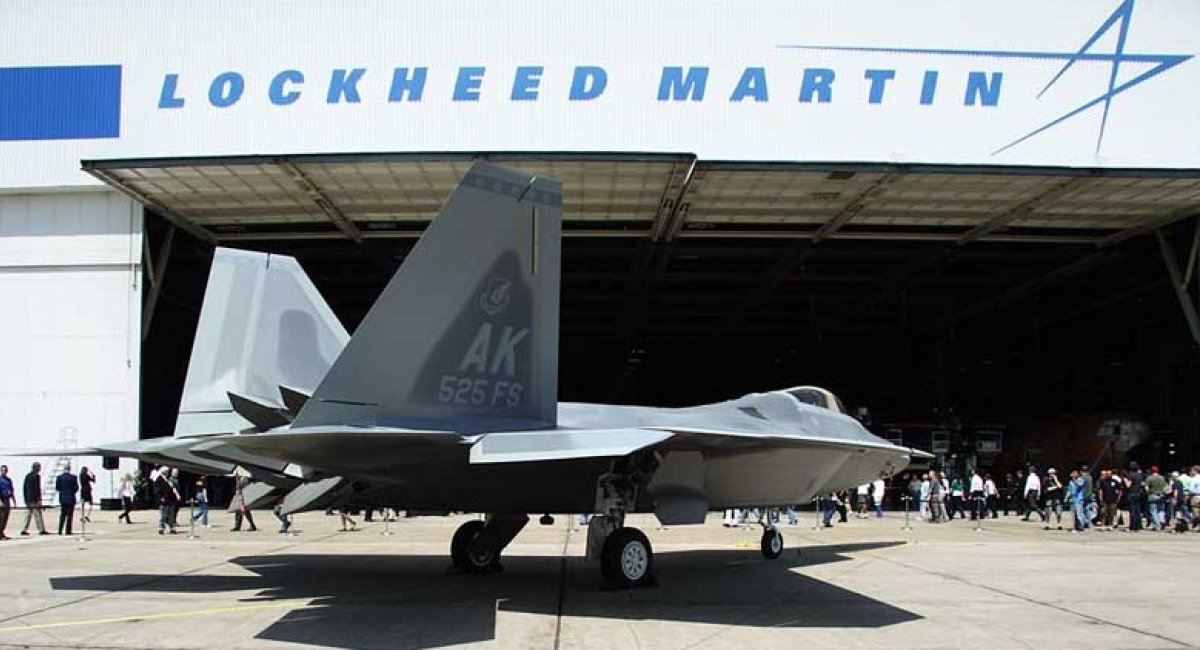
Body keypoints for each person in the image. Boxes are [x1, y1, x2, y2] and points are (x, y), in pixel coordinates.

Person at [19, 463, 48, 536]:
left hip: (28, 498)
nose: (40, 469)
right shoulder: (36, 476)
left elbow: (24, 488)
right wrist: (39, 499)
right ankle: (41, 529)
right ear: (36, 468)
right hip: (34, 499)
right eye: (39, 467)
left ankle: (24, 529)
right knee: (37, 514)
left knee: (28, 515)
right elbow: (37, 489)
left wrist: (25, 499)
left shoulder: (28, 476)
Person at [153, 465, 179, 535]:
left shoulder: (166, 479)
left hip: (170, 500)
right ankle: (161, 528)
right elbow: (157, 490)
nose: (168, 472)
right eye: (167, 471)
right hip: (164, 500)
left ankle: (171, 528)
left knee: (171, 515)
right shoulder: (159, 479)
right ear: (164, 472)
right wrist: (161, 497)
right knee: (163, 515)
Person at [55, 463, 79, 535]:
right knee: (69, 515)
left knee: (62, 514)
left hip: (62, 498)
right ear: (69, 469)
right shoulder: (73, 477)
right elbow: (76, 488)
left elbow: (57, 487)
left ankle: (60, 530)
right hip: (71, 497)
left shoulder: (59, 477)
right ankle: (68, 530)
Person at [1145, 466, 1168, 531]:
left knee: (1153, 511)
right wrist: (1162, 492)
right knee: (1160, 510)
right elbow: (1166, 487)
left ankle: (1157, 525)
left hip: (1152, 495)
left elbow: (1146, 488)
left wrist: (1148, 493)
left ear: (1151, 471)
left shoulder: (1149, 478)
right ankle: (1162, 521)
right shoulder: (1162, 478)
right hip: (1161, 495)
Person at [1126, 462, 1146, 532]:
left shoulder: (1131, 475)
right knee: (1138, 510)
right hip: (1138, 493)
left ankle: (1133, 525)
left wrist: (1125, 481)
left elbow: (1128, 485)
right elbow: (1142, 484)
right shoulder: (1140, 475)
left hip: (1132, 493)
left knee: (1132, 510)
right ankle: (1138, 525)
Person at [0, 465, 14, 540]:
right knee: (1, 518)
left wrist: (14, 500)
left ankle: (2, 532)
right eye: (2, 470)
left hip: (7, 499)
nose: (4, 472)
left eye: (5, 470)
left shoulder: (9, 480)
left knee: (5, 518)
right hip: (2, 499)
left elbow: (11, 490)